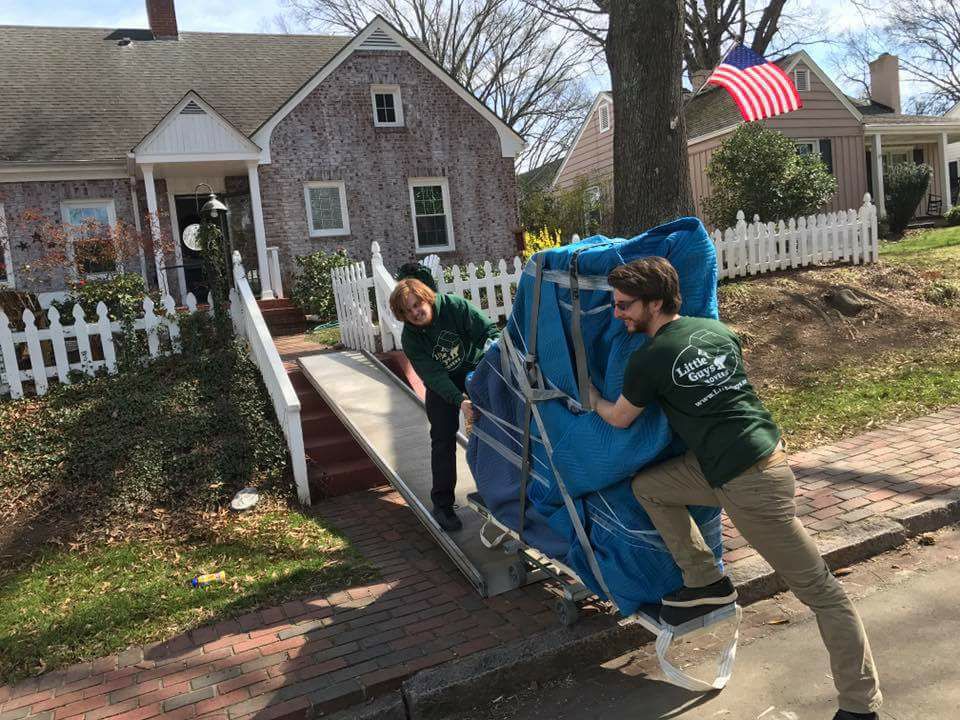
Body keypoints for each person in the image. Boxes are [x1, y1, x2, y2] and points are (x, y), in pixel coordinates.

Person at [589, 257, 881, 720]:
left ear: (655, 303)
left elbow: (620, 418)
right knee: (650, 487)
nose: (617, 314)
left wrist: (590, 397)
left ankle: (860, 706)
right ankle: (706, 580)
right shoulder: (716, 331)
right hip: (739, 463)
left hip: (752, 484)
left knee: (823, 592)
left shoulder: (651, 357)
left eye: (624, 305)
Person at [389, 277, 499, 532]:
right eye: (408, 310)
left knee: (496, 430)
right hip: (443, 384)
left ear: (426, 297)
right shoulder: (411, 339)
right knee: (442, 438)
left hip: (475, 370)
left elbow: (489, 333)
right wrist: (460, 400)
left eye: (417, 304)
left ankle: (496, 491)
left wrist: (492, 361)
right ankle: (443, 505)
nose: (416, 312)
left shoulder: (454, 307)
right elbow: (434, 376)